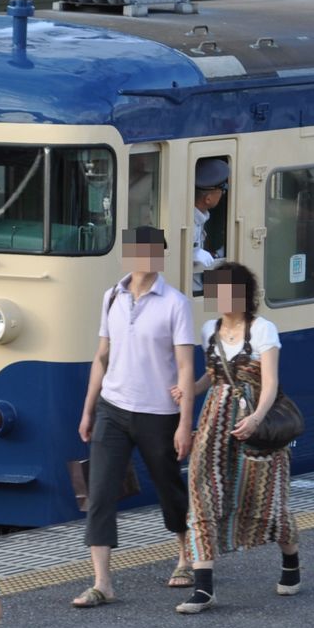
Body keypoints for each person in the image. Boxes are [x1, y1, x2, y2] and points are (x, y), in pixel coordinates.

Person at [74, 225, 197, 608]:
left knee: (168, 488)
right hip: (113, 407)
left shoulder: (175, 303)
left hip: (158, 413)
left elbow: (184, 367)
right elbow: (102, 356)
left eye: (151, 251)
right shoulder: (112, 296)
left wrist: (184, 423)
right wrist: (88, 408)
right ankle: (102, 582)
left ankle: (185, 555)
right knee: (100, 492)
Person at [175, 261, 301, 613]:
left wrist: (257, 419)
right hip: (214, 423)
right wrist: (187, 390)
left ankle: (291, 562)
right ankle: (203, 588)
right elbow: (213, 379)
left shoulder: (263, 329)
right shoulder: (208, 330)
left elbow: (270, 382)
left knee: (267, 503)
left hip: (254, 424)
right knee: (201, 494)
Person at [191, 157, 230, 293]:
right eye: (221, 190)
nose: (223, 193)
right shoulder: (190, 224)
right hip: (193, 291)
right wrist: (192, 254)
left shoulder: (199, 217)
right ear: (208, 199)